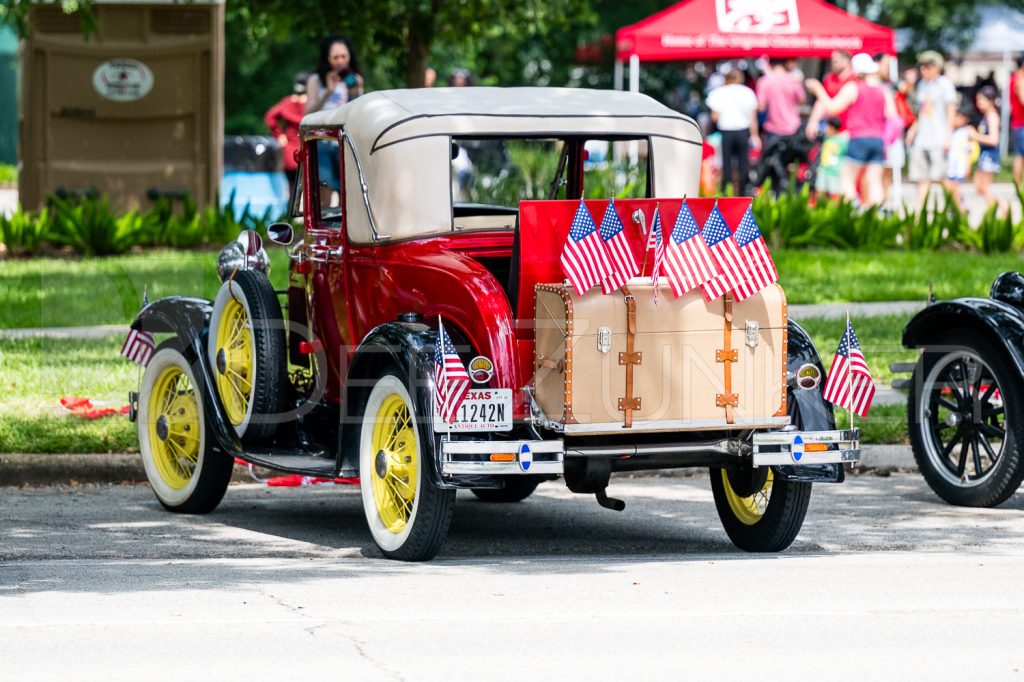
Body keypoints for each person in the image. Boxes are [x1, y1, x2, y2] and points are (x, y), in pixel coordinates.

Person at [806, 53, 896, 207]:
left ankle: (852, 212)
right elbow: (892, 116)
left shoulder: (854, 88)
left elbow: (833, 108)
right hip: (878, 140)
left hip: (858, 138)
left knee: (847, 179)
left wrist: (818, 90)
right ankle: (876, 216)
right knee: (874, 181)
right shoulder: (883, 90)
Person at [906, 51, 957, 210]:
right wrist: (913, 131)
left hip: (939, 138)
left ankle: (958, 208)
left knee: (942, 178)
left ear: (937, 67)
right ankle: (919, 214)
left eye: (927, 66)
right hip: (922, 139)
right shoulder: (921, 85)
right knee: (922, 179)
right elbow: (920, 113)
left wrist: (948, 136)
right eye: (922, 66)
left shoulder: (945, 84)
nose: (923, 70)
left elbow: (951, 111)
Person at [706, 69, 759, 194]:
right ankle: (743, 191)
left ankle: (726, 191)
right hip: (743, 131)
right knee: (743, 163)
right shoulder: (748, 92)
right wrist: (754, 135)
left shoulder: (719, 92)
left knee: (726, 163)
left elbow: (714, 116)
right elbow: (752, 118)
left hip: (726, 131)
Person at [263, 72, 308, 189]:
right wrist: (279, 135)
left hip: (291, 152)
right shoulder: (312, 104)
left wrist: (279, 135)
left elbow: (270, 116)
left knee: (293, 188)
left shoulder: (287, 102)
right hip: (307, 149)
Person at [305, 35, 363, 115]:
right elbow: (308, 115)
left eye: (344, 56)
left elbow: (358, 114)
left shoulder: (354, 79)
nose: (340, 62)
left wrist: (354, 94)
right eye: (335, 57)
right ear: (327, 59)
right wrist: (328, 92)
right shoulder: (315, 79)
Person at [756, 57, 807, 145]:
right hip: (793, 127)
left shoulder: (764, 81)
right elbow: (802, 100)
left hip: (772, 128)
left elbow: (761, 107)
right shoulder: (793, 80)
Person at [970, 85, 1002, 209]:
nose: (979, 103)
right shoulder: (986, 116)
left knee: (984, 187)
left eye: (981, 100)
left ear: (990, 100)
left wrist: (975, 136)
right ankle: (996, 208)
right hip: (984, 156)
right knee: (979, 187)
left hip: (990, 156)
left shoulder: (992, 116)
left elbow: (994, 140)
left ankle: (1001, 208)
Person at [943, 107, 976, 210]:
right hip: (949, 166)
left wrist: (968, 165)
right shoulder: (949, 131)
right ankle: (955, 206)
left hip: (960, 166)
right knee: (949, 188)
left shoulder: (967, 132)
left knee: (955, 188)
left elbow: (970, 151)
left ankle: (960, 209)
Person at [815, 117, 847, 199]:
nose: (825, 129)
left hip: (835, 172)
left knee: (835, 193)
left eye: (827, 127)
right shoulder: (826, 138)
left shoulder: (842, 140)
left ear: (833, 128)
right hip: (823, 170)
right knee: (819, 191)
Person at [1010, 56, 1024, 185]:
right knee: (1019, 157)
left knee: (1019, 155)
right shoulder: (1020, 80)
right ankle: (1018, 187)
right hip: (1021, 124)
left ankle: (1018, 187)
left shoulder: (1014, 78)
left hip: (1018, 123)